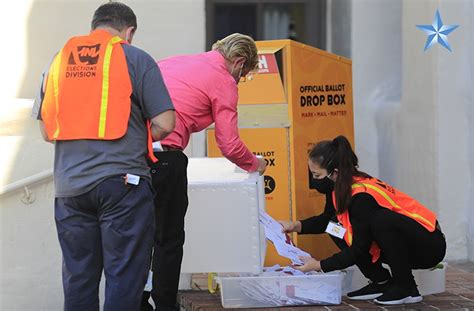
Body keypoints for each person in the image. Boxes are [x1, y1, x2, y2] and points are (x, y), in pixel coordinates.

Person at [32, 2, 175, 310]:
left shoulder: (57, 62)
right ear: (129, 31)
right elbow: (166, 123)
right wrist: (140, 137)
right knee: (124, 278)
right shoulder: (135, 58)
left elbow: (47, 131)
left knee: (79, 278)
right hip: (122, 184)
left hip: (70, 189)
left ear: (94, 26)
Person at [141, 33, 267, 311]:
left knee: (137, 235)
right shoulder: (224, 80)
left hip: (131, 156)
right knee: (168, 238)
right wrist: (255, 164)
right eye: (243, 75)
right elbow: (229, 144)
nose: (239, 81)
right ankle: (164, 306)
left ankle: (136, 302)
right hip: (165, 158)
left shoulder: (174, 62)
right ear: (238, 62)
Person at [279, 135, 446, 305]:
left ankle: (406, 287)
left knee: (381, 221)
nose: (314, 181)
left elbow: (360, 248)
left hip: (428, 244)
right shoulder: (339, 188)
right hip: (403, 242)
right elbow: (326, 220)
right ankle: (382, 282)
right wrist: (294, 225)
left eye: (317, 175)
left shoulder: (361, 197)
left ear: (334, 173)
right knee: (334, 226)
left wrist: (319, 265)